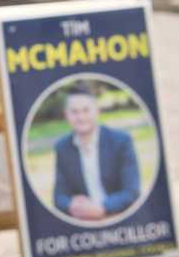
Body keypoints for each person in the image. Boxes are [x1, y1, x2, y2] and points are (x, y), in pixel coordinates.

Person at [52, 86, 140, 222]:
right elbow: (59, 197)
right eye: (74, 112)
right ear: (66, 115)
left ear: (97, 112)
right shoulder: (62, 147)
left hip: (119, 217)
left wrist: (102, 208)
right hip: (83, 220)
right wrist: (72, 205)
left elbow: (131, 191)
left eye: (86, 110)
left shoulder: (121, 141)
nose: (81, 117)